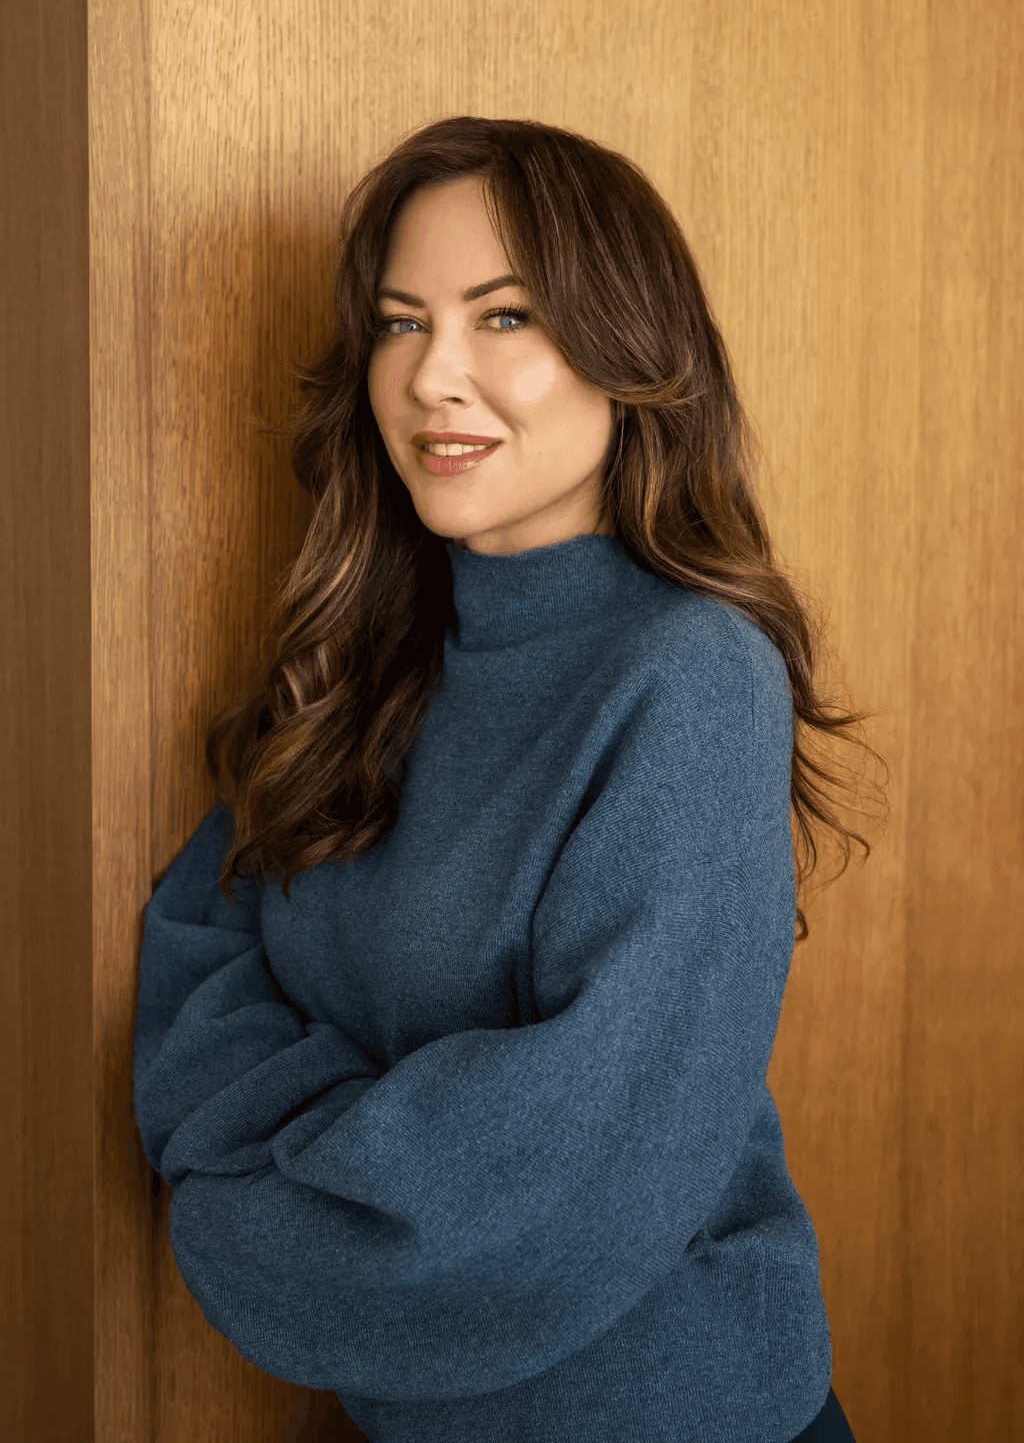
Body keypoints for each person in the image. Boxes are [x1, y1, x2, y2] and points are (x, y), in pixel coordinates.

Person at [134, 117, 878, 1441]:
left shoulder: (691, 676)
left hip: (670, 1413)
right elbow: (201, 949)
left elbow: (570, 1162)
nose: (435, 378)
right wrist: (307, 1189)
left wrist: (261, 1203)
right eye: (403, 323)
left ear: (628, 351)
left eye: (505, 317)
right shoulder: (365, 667)